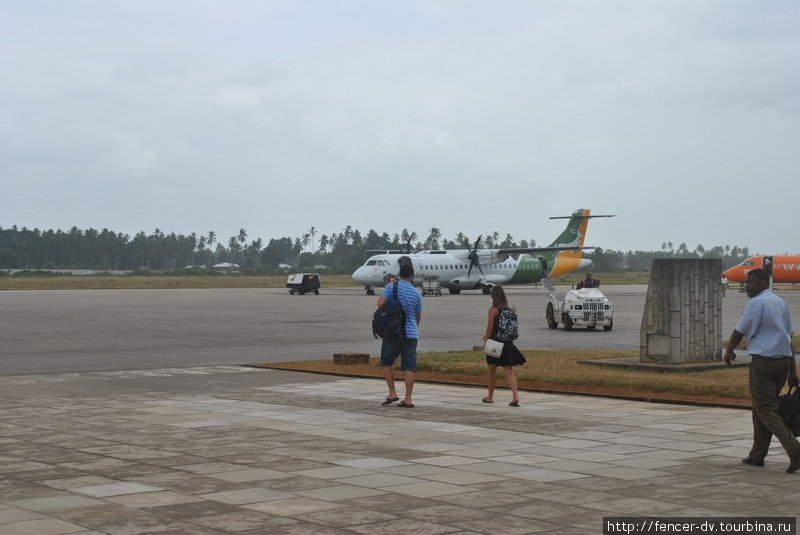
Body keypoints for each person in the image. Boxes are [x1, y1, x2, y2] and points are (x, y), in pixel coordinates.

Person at [724, 268, 800, 473]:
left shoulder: (756, 304)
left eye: (750, 282)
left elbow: (739, 331)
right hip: (783, 362)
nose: (746, 286)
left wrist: (729, 352)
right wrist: (793, 371)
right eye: (745, 282)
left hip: (764, 363)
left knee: (766, 408)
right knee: (760, 408)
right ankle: (757, 455)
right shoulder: (780, 303)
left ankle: (794, 449)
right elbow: (788, 338)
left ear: (763, 283)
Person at [377, 263, 422, 408]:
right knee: (409, 366)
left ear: (399, 274)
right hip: (411, 334)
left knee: (386, 362)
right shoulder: (416, 293)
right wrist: (411, 327)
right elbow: (417, 317)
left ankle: (392, 393)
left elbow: (380, 303)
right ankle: (408, 399)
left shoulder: (391, 287)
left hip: (393, 333)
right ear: (411, 276)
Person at [481, 285, 526, 407]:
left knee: (492, 370)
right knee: (509, 371)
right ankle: (515, 396)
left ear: (493, 296)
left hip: (495, 344)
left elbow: (490, 328)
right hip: (508, 344)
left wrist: (486, 338)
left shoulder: (493, 310)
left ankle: (490, 397)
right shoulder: (509, 309)